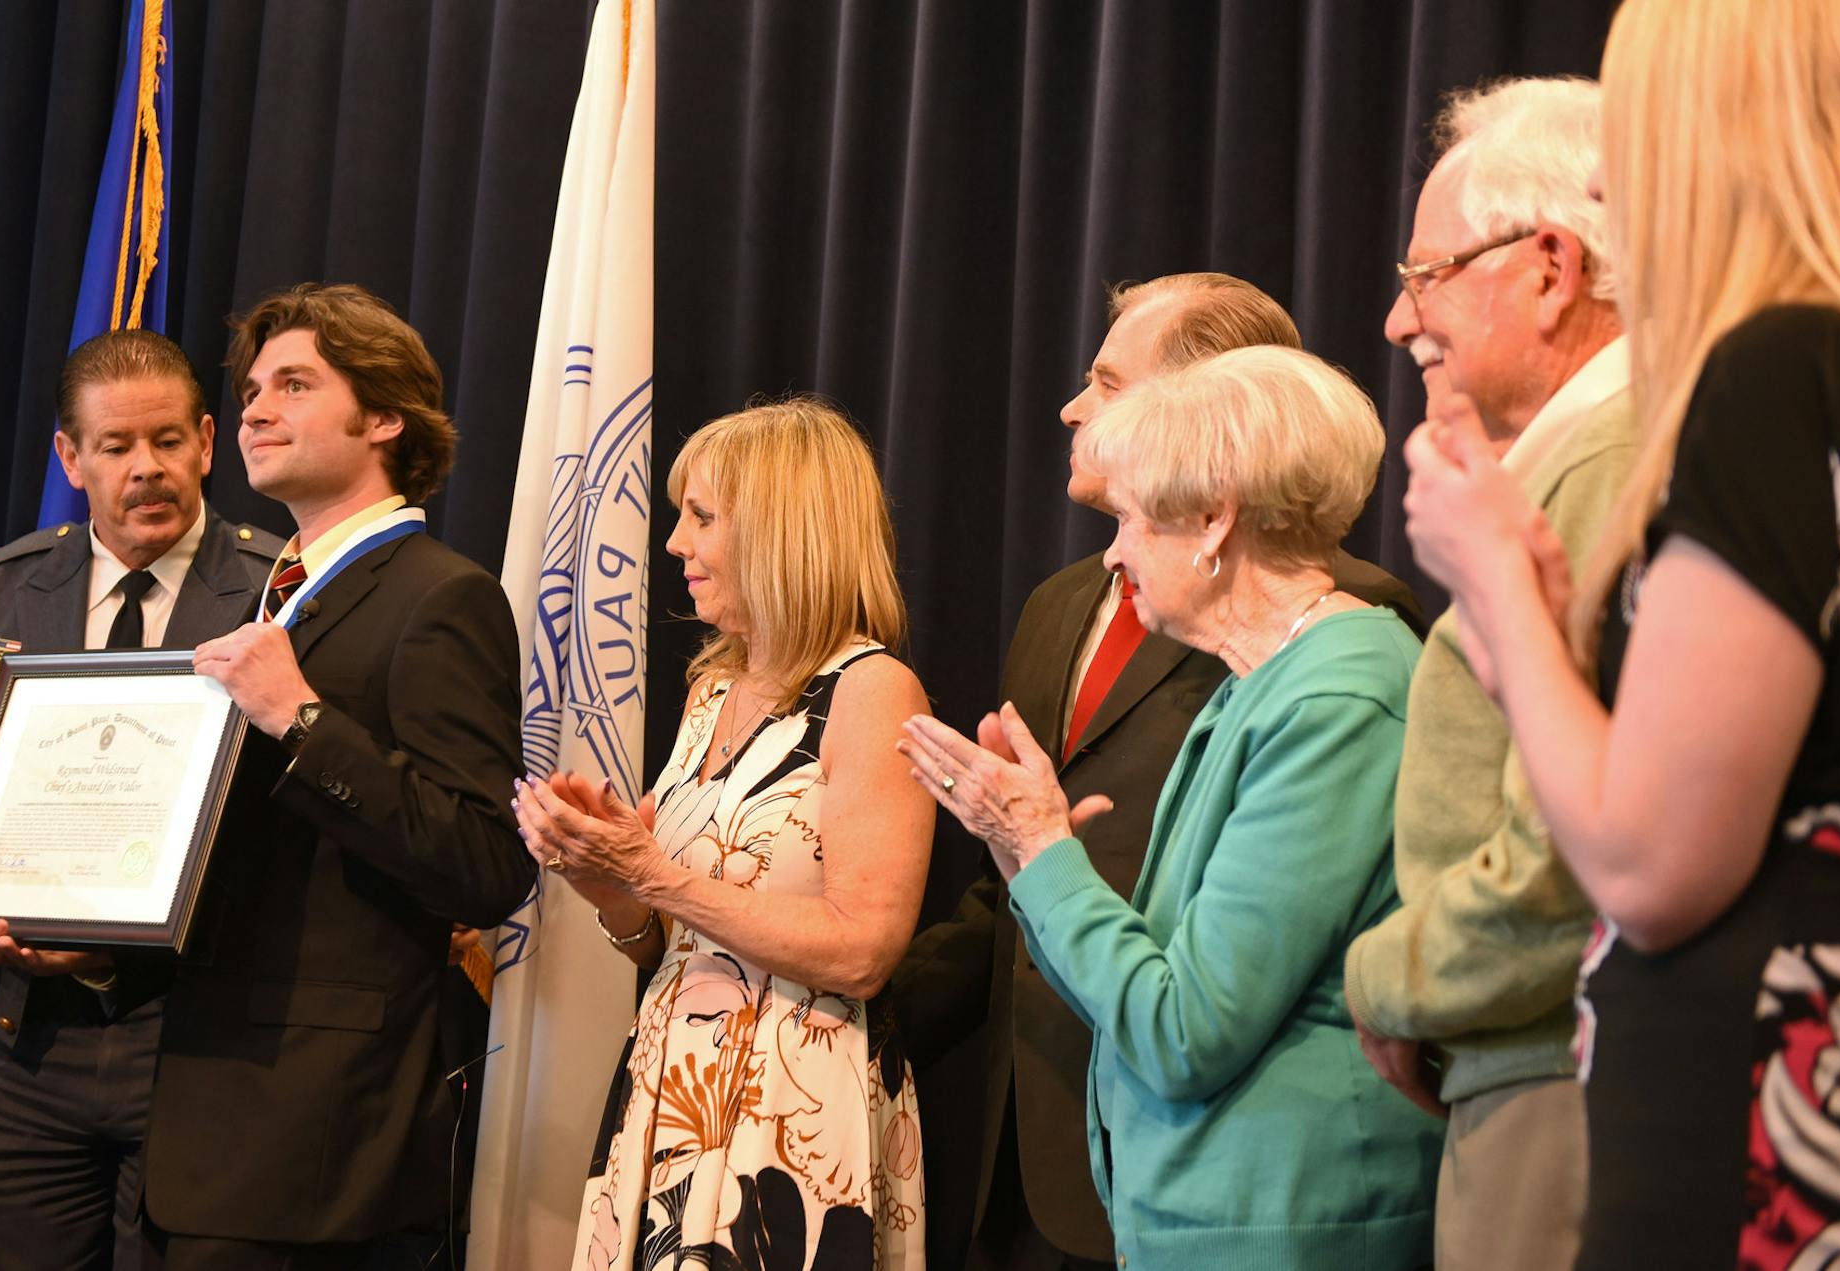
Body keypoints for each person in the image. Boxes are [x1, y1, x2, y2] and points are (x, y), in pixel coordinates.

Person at [1401, 0, 1840, 1263]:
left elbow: (1653, 865)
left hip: (1765, 1116)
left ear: (1719, 141)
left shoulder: (1779, 365)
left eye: (1637, 135)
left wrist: (1492, 577)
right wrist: (1535, 638)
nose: (1608, 186)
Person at [887, 272, 1419, 1269]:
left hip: (1281, 1217)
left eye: (1134, 518)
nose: (1113, 553)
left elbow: (1185, 1026)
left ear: (1214, 518)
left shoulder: (1338, 689)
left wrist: (1038, 844)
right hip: (1177, 1199)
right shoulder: (1261, 679)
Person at [0, 329, 279, 1269]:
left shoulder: (277, 595)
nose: (147, 469)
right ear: (70, 457)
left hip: (199, 1041)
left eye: (169, 441)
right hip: (29, 1044)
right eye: (117, 447)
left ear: (209, 442)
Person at [146, 283, 531, 1267]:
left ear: (386, 416)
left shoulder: (442, 596)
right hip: (195, 1103)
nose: (255, 411)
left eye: (295, 384)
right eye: (251, 392)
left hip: (318, 1137)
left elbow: (485, 863)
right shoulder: (262, 599)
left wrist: (302, 718)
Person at [513, 399, 936, 1270]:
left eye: (701, 517)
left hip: (791, 1116)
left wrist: (657, 875)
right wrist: (611, 885)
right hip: (670, 1091)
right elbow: (670, 942)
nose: (674, 543)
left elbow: (863, 950)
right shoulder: (714, 690)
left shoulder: (872, 690)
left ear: (784, 532)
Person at [1343, 76, 1635, 1269]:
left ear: (1549, 266)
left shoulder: (1607, 457)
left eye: (1427, 274)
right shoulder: (1576, 457)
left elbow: (1579, 847)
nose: (1401, 320)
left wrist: (1386, 979)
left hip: (1554, 1076)